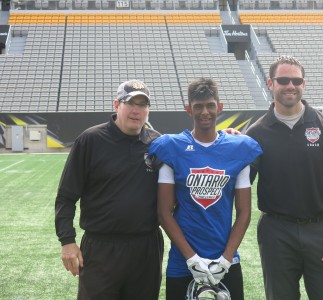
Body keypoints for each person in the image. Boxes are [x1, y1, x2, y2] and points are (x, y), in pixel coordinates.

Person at [246, 55, 323, 300]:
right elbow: (241, 184)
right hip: (276, 232)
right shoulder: (256, 133)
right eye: (283, 80)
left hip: (320, 231)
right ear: (270, 83)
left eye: (296, 80)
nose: (290, 86)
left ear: (304, 84)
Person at [149, 77, 263, 300]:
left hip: (225, 260)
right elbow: (164, 213)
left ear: (219, 107)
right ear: (188, 109)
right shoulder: (172, 147)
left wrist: (226, 259)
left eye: (210, 105)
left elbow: (244, 212)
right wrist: (191, 259)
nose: (205, 112)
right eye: (198, 106)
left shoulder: (238, 149)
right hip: (183, 262)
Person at [55, 79, 164, 300]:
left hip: (146, 248)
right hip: (101, 248)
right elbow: (66, 196)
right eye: (130, 103)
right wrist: (67, 241)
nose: (137, 110)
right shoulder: (90, 140)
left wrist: (224, 135)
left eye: (143, 105)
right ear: (116, 105)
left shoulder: (158, 143)